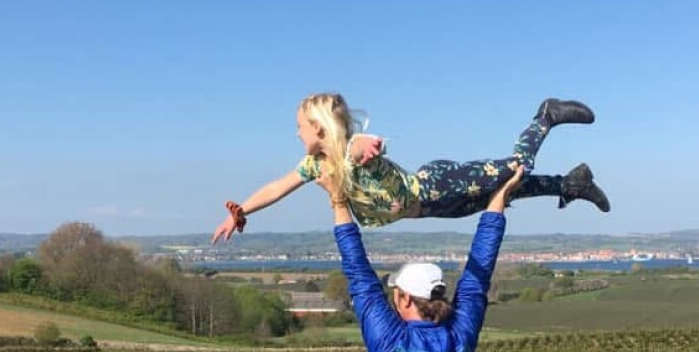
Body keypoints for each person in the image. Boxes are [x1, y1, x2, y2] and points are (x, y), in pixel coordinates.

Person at [212, 92, 609, 243]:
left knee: (516, 169)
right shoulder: (315, 167)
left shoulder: (350, 148)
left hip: (433, 186)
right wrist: (240, 212)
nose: (296, 135)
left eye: (300, 128)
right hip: (431, 209)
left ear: (318, 128)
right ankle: (571, 184)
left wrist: (371, 146)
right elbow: (276, 187)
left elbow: (365, 144)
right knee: (508, 192)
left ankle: (546, 116)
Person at [321, 163, 524, 352]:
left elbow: (359, 273)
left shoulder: (388, 339)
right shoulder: (459, 336)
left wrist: (338, 201)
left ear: (404, 298)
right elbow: (478, 277)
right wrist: (499, 198)